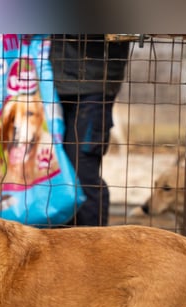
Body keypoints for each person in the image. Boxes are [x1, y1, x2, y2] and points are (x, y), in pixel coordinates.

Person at [49, 34, 129, 227]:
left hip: (93, 83)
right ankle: (59, 247)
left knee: (82, 174)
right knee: (46, 174)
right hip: (44, 80)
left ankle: (93, 249)